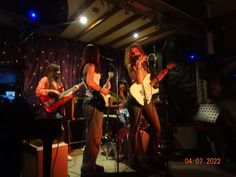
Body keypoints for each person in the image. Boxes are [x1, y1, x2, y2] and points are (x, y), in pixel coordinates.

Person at [124, 43, 175, 170]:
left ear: (141, 52)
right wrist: (138, 64)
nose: (135, 54)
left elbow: (151, 83)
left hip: (146, 99)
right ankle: (135, 158)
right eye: (132, 53)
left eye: (137, 52)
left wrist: (166, 70)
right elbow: (139, 81)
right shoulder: (132, 66)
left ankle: (153, 155)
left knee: (157, 127)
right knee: (134, 130)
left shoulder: (146, 65)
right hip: (134, 100)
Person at [80, 44, 111, 175]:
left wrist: (103, 86)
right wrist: (103, 89)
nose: (99, 56)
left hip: (90, 102)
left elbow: (92, 84)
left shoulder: (87, 66)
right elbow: (90, 83)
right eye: (97, 53)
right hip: (92, 103)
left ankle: (90, 163)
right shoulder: (91, 66)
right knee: (94, 137)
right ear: (94, 54)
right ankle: (88, 168)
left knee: (93, 136)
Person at [35, 63, 74, 161]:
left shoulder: (60, 83)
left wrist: (70, 94)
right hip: (46, 111)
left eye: (60, 70)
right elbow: (38, 91)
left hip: (58, 110)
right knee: (48, 133)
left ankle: (62, 153)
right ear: (52, 72)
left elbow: (62, 99)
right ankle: (48, 154)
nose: (59, 72)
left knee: (61, 131)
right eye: (57, 70)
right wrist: (50, 91)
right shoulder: (45, 79)